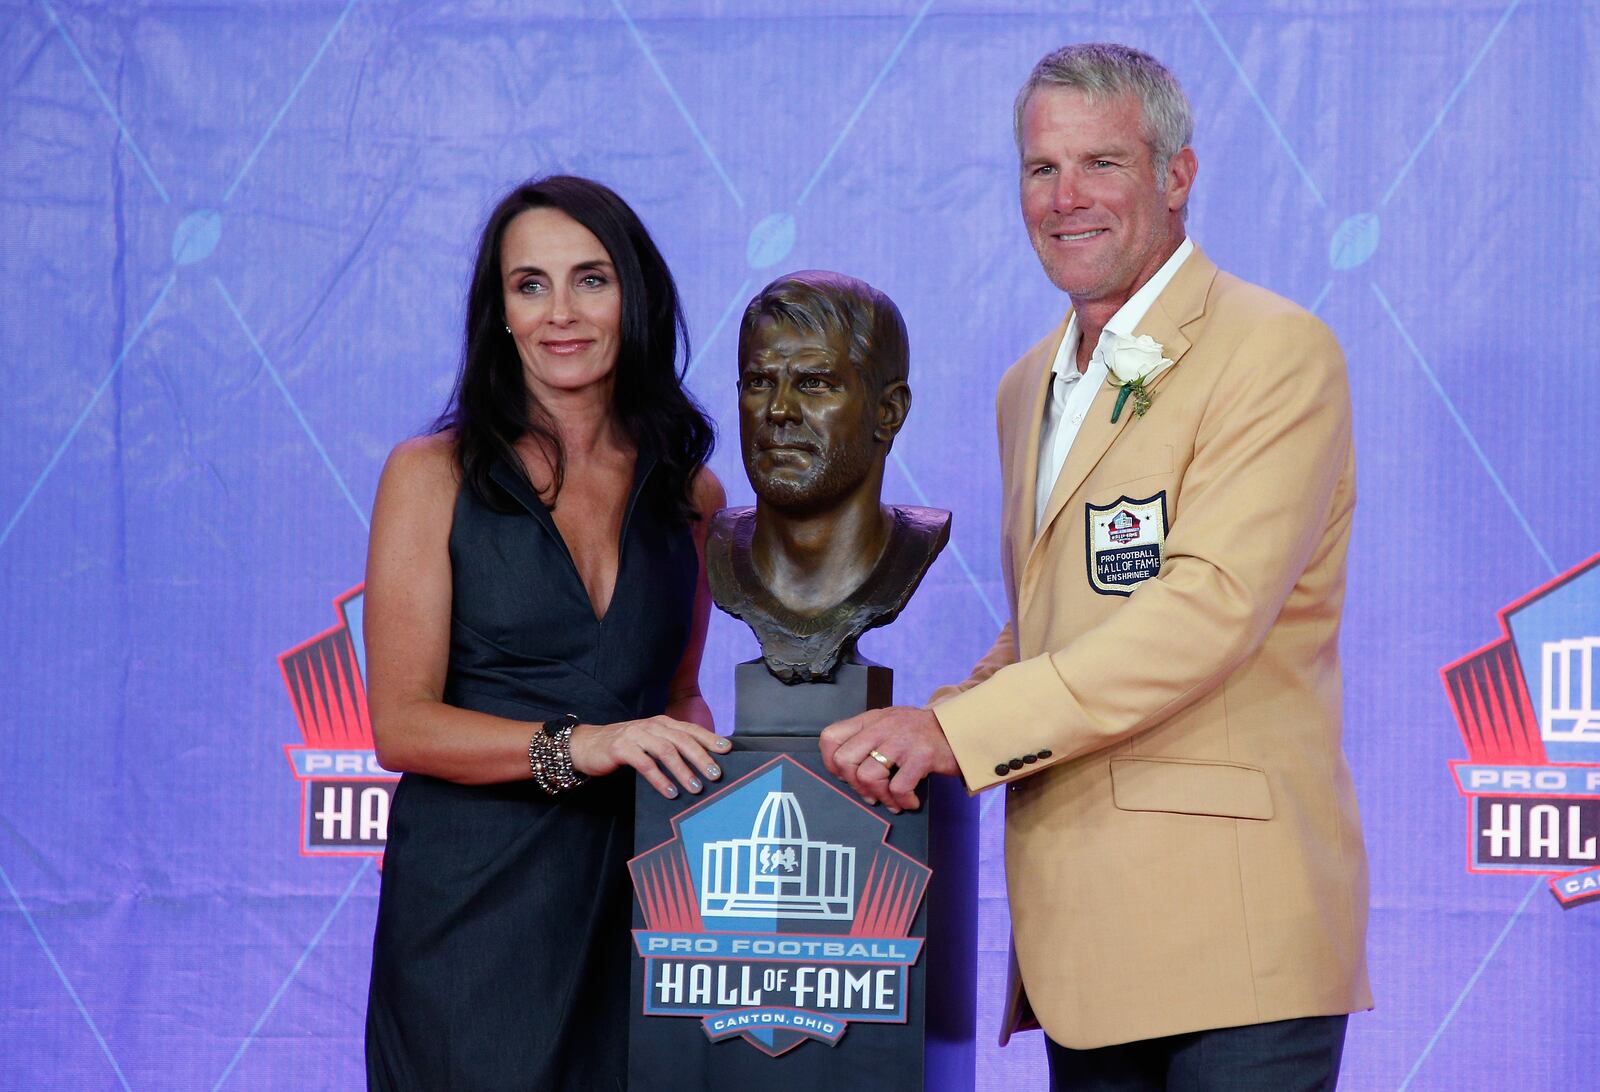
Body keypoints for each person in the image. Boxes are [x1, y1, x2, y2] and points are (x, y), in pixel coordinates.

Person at [820, 43, 1371, 1089]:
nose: (1064, 198)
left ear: (1175, 176)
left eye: (1100, 164)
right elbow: (1051, 623)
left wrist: (957, 730)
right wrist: (932, 725)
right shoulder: (1027, 383)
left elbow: (1206, 610)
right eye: (1040, 168)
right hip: (1083, 944)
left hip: (1235, 944)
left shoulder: (1276, 351)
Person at [362, 175, 730, 1091]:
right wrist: (586, 746)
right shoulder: (430, 473)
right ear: (500, 313)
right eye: (529, 285)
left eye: (589, 280)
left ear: (634, 295)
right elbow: (400, 724)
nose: (560, 313)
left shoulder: (693, 495)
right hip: (471, 916)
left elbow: (678, 694)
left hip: (634, 909)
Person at [707, 270, 950, 684]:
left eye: (815, 383)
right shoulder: (718, 543)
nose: (779, 410)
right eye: (760, 382)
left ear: (888, 412)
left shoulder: (913, 544)